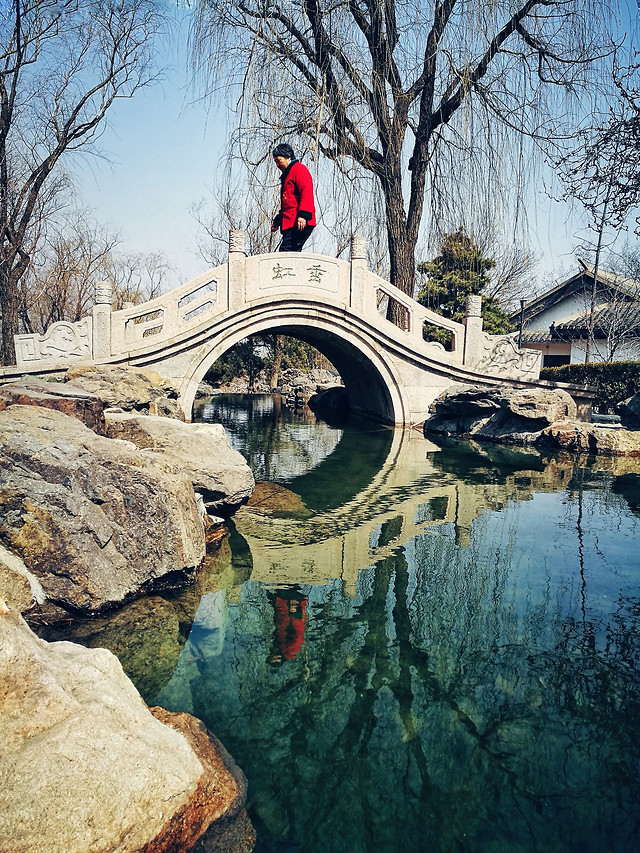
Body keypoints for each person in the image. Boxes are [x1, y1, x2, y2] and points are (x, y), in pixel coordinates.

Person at [271, 143, 316, 252]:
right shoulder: (288, 175)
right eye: (275, 162)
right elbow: (289, 203)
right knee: (292, 252)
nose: (277, 164)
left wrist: (303, 215)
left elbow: (306, 191)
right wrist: (278, 221)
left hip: (298, 221)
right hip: (290, 222)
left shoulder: (299, 169)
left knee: (286, 252)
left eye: (279, 160)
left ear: (287, 157)